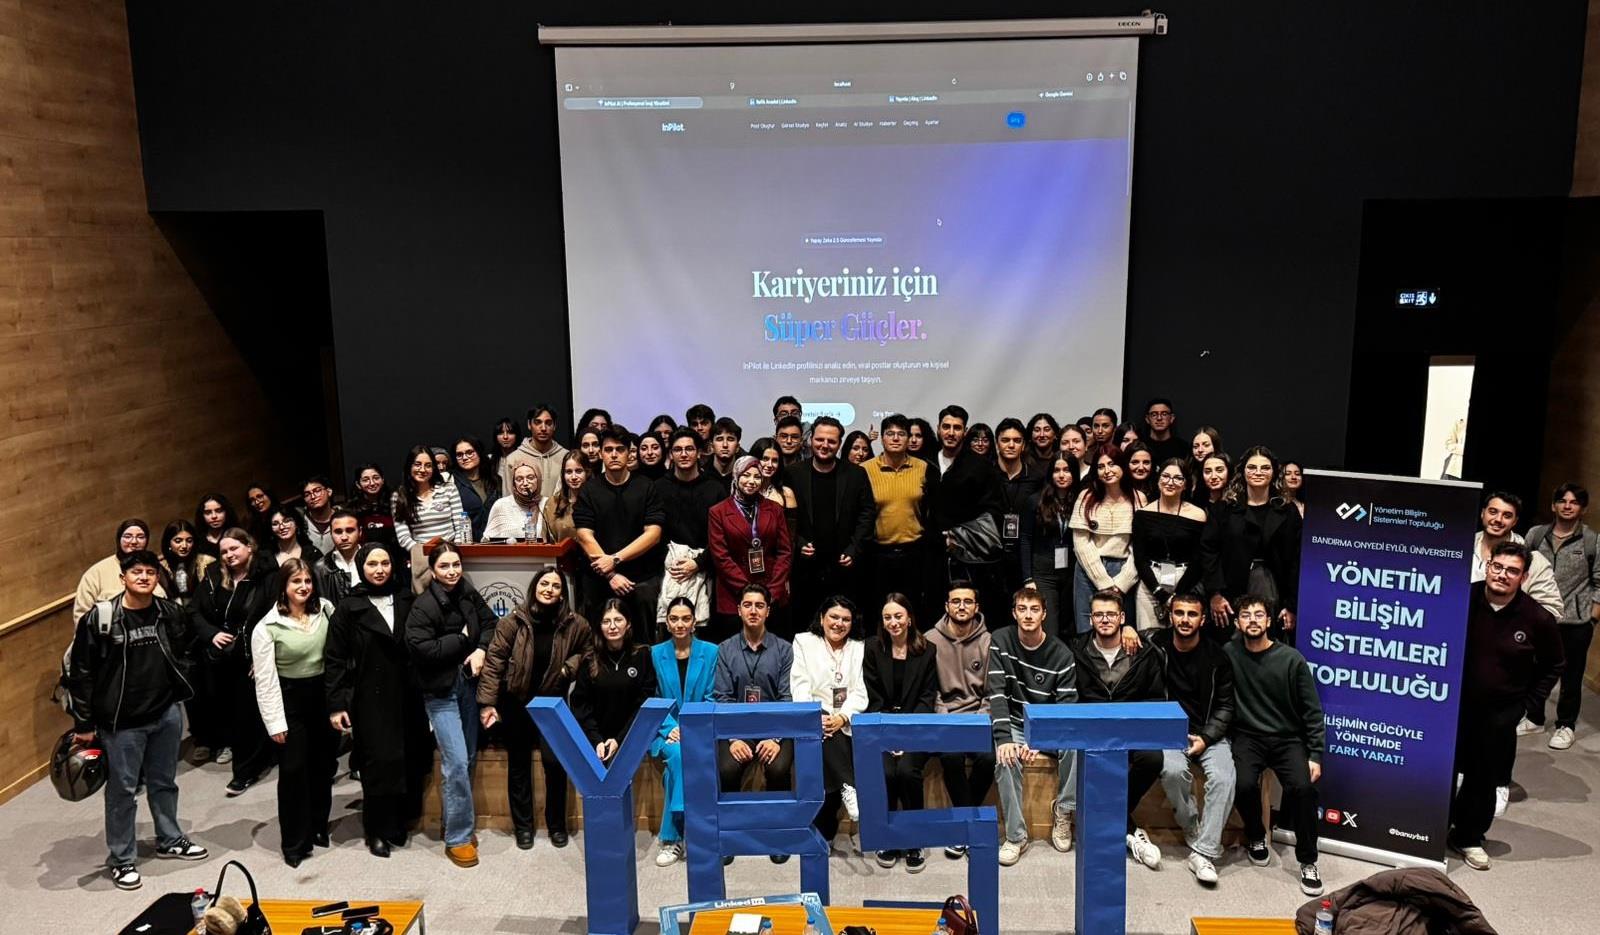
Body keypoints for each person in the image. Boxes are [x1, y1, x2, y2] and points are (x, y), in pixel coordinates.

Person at [65, 550, 208, 890]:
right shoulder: (101, 618)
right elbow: (81, 673)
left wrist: (179, 686)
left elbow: (185, 651)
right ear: (123, 578)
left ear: (157, 578)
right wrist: (83, 723)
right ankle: (121, 858)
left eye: (150, 572)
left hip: (166, 714)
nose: (144, 577)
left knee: (164, 782)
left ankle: (169, 838)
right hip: (121, 722)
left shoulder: (169, 612)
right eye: (136, 572)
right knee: (123, 792)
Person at [1448, 543, 1563, 870]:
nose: (1502, 575)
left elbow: (1554, 664)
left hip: (1499, 713)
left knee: (1482, 780)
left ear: (1523, 577)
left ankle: (1468, 837)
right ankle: (1428, 831)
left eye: (1512, 570)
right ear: (1487, 566)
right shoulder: (1461, 598)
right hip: (1450, 706)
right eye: (1497, 567)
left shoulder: (1537, 618)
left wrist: (1526, 706)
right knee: (1440, 771)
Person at [326, 543, 432, 858]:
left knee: (409, 759)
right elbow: (334, 658)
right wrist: (336, 704)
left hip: (408, 694)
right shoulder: (349, 607)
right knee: (378, 765)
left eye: (385, 563)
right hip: (370, 698)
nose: (380, 569)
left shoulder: (407, 598)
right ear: (362, 567)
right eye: (372, 564)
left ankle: (400, 822)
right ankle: (377, 830)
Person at [479, 567, 591, 849]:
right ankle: (523, 828)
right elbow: (494, 663)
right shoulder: (512, 622)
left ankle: (557, 825)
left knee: (555, 763)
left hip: (552, 703)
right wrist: (488, 703)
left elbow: (589, 651)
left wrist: (569, 668)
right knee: (518, 764)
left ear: (562, 594)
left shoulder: (575, 623)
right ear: (534, 587)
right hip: (516, 702)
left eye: (555, 586)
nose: (549, 589)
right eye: (544, 583)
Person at [1225, 593, 1325, 896]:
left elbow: (1312, 710)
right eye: (1246, 615)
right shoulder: (1229, 653)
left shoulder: (1292, 659)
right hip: (1248, 736)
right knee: (1242, 784)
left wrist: (1315, 754)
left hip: (1287, 738)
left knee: (1303, 789)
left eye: (1259, 615)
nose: (1253, 620)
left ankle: (1308, 861)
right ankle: (1257, 835)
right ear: (1237, 622)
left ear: (1269, 621)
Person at [405, 542, 496, 868]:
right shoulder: (423, 606)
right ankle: (458, 837)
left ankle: (456, 820)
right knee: (455, 761)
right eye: (444, 566)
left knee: (467, 758)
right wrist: (462, 639)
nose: (452, 571)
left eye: (456, 564)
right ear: (432, 570)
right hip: (439, 691)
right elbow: (422, 649)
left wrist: (481, 648)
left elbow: (490, 623)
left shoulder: (467, 592)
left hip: (468, 686)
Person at [1070, 589, 1167, 872]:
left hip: (1131, 727)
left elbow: (1155, 698)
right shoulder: (1076, 649)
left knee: (1153, 759)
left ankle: (1111, 817)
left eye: (1111, 614)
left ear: (1122, 618)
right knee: (1093, 761)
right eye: (1098, 614)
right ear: (1091, 618)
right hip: (1093, 728)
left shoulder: (1144, 652)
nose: (1104, 620)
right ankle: (1128, 830)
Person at [251, 558, 338, 867]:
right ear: (283, 586)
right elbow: (265, 681)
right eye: (296, 581)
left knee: (323, 766)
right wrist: (275, 722)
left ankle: (318, 826)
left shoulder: (326, 610)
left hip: (323, 697)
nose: (303, 587)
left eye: (307, 581)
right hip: (290, 700)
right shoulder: (267, 626)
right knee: (292, 771)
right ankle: (294, 843)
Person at [1148, 593, 1236, 885]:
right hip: (1169, 731)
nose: (1185, 620)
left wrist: (1206, 738)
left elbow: (1226, 707)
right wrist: (1128, 630)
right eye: (1179, 613)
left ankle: (1203, 852)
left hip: (1209, 732)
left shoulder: (1217, 657)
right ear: (1170, 615)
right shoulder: (1156, 645)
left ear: (1203, 619)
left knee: (1224, 778)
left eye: (1192, 614)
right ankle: (1192, 828)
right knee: (1172, 771)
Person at [990, 587, 1079, 867]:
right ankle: (1016, 837)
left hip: (1049, 724)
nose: (1028, 615)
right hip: (1016, 721)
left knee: (1075, 746)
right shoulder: (1000, 640)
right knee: (1004, 758)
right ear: (1014, 613)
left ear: (1044, 614)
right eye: (1022, 609)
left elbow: (1065, 711)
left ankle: (1064, 811)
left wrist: (1038, 740)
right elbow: (996, 694)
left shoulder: (1062, 654)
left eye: (1034, 609)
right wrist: (1005, 739)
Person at [711, 583, 795, 864]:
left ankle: (777, 834)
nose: (753, 611)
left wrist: (776, 738)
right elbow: (722, 697)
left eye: (759, 605)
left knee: (779, 767)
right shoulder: (725, 649)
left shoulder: (784, 649)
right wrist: (734, 738)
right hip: (737, 729)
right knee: (726, 767)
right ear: (738, 610)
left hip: (774, 728)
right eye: (747, 605)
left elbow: (786, 698)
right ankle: (730, 833)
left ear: (768, 611)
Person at [192, 528, 277, 793]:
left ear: (249, 547)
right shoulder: (214, 575)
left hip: (256, 655)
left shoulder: (268, 576)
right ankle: (254, 760)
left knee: (250, 714)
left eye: (234, 548)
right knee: (234, 714)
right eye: (224, 551)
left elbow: (274, 617)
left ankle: (245, 771)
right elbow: (194, 611)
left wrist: (263, 658)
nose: (229, 555)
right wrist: (211, 633)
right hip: (223, 658)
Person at [862, 594, 938, 872]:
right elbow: (872, 697)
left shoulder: (927, 650)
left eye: (898, 616)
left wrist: (905, 736)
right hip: (881, 728)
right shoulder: (872, 648)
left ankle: (914, 838)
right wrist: (889, 736)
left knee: (907, 771)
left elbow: (927, 698)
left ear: (909, 619)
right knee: (886, 771)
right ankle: (889, 836)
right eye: (887, 617)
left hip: (916, 728)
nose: (893, 622)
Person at [1523, 483, 1600, 750]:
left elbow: (1599, 581)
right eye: (1562, 501)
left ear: (1583, 509)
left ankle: (1565, 725)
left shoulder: (1592, 540)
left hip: (1575, 623)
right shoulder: (1536, 534)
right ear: (1553, 505)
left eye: (1574, 502)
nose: (1568, 506)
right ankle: (1533, 718)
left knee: (1571, 677)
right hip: (1538, 618)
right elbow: (1522, 567)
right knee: (1534, 671)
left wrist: (1592, 618)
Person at [1202, 446, 1303, 641]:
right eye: (1252, 467)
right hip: (1229, 596)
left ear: (1274, 473)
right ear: (1242, 471)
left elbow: (1296, 560)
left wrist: (1291, 606)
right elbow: (1209, 551)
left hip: (1276, 595)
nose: (1258, 472)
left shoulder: (1288, 510)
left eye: (1265, 468)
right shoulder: (1224, 508)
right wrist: (1215, 594)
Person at [792, 596, 869, 845]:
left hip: (847, 719)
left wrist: (843, 717)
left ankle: (825, 833)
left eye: (846, 619)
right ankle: (848, 784)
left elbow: (861, 690)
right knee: (825, 736)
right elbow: (800, 685)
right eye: (834, 617)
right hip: (814, 717)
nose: (839, 623)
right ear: (822, 618)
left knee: (832, 742)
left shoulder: (859, 647)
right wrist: (816, 717)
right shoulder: (804, 641)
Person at [785, 416, 876, 626]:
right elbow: (784, 517)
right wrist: (798, 542)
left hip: (844, 567)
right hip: (806, 568)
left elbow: (867, 514)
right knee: (804, 625)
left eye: (831, 441)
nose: (825, 445)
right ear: (810, 440)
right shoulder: (793, 473)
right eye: (819, 439)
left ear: (839, 444)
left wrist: (854, 548)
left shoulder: (856, 474)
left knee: (843, 624)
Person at [926, 580, 994, 859]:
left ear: (976, 607)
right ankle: (969, 828)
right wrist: (944, 717)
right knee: (951, 758)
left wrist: (980, 719)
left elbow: (992, 691)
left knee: (988, 759)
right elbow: (930, 690)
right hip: (946, 718)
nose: (961, 606)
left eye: (967, 601)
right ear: (947, 606)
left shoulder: (988, 641)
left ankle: (962, 826)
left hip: (979, 717)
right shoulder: (930, 639)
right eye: (956, 601)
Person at [574, 426, 667, 631]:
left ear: (629, 453)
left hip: (641, 576)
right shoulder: (589, 490)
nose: (614, 454)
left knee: (644, 607)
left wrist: (615, 559)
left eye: (620, 449)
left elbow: (653, 534)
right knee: (595, 623)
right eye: (608, 450)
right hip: (600, 576)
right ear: (600, 454)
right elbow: (584, 536)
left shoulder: (646, 486)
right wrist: (611, 574)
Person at [648, 597, 718, 866]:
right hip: (665, 730)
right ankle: (687, 828)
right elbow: (653, 698)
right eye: (674, 619)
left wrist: (689, 727)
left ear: (694, 622)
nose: (680, 624)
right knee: (677, 754)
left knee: (673, 771)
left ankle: (673, 837)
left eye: (685, 618)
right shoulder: (655, 654)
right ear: (667, 623)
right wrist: (671, 727)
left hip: (699, 729)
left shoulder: (710, 652)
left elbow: (712, 697)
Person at [570, 599, 658, 800]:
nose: (612, 626)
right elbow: (580, 704)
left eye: (618, 620)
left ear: (628, 624)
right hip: (597, 740)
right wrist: (596, 740)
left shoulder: (642, 655)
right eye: (606, 621)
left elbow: (644, 704)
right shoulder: (589, 659)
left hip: (631, 737)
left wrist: (619, 740)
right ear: (599, 626)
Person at [862, 414, 939, 627]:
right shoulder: (865, 469)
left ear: (908, 438)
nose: (896, 438)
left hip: (914, 552)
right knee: (878, 610)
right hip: (878, 554)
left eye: (901, 434)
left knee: (913, 610)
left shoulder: (923, 467)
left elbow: (931, 510)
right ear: (882, 438)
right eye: (890, 434)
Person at [933, 405, 1008, 625]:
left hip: (970, 561)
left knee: (972, 619)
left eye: (957, 428)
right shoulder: (925, 463)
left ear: (965, 432)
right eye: (946, 427)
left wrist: (958, 535)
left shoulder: (980, 466)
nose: (951, 432)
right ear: (938, 429)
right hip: (931, 557)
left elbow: (994, 511)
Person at [708, 455, 793, 641]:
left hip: (771, 590)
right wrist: (747, 591)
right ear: (736, 476)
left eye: (757, 476)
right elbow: (720, 556)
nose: (751, 481)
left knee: (772, 645)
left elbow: (784, 552)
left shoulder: (775, 509)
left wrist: (772, 591)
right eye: (746, 475)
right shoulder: (718, 512)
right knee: (735, 647)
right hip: (733, 593)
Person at [655, 427, 725, 630]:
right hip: (669, 567)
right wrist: (675, 564)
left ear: (699, 452)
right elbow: (654, 533)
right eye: (678, 449)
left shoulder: (715, 489)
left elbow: (722, 537)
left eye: (689, 449)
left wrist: (697, 563)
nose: (684, 454)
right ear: (670, 454)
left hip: (707, 565)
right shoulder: (658, 488)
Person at [1069, 445, 1141, 634]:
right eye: (1101, 467)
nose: (1107, 471)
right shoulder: (1086, 497)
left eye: (1112, 464)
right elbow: (1081, 543)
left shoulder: (1138, 498)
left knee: (1123, 631)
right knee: (1086, 630)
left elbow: (1140, 545)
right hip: (1089, 570)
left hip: (1125, 571)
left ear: (1123, 466)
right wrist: (1104, 582)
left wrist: (1122, 583)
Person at [1132, 459, 1209, 630]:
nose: (1170, 482)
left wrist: (1178, 595)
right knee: (1148, 638)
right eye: (1165, 476)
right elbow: (1140, 559)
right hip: (1150, 583)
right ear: (1158, 479)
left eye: (1178, 478)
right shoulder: (1143, 514)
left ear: (1186, 484)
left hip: (1185, 581)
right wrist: (1159, 592)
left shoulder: (1197, 515)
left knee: (1182, 636)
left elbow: (1198, 558)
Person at [1020, 456, 1079, 640]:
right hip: (1043, 573)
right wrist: (1028, 578)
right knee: (1050, 629)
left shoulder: (1080, 501)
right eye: (1057, 470)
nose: (1061, 475)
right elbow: (1025, 540)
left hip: (1071, 573)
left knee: (1070, 629)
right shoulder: (1035, 501)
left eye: (1066, 470)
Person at [74, 519, 164, 619]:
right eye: (128, 536)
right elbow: (82, 617)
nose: (134, 541)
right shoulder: (96, 573)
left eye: (140, 537)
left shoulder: (157, 569)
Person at [996, 418, 1044, 600]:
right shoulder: (986, 474)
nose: (1011, 445)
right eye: (1005, 440)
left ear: (1023, 445)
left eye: (1016, 441)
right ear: (997, 443)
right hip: (992, 556)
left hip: (1025, 556)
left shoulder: (1036, 477)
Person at [393, 445, 471, 556]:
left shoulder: (449, 488)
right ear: (409, 466)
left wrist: (452, 552)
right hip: (421, 554)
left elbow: (460, 524)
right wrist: (423, 553)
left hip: (450, 552)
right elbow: (403, 537)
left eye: (428, 465)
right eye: (417, 464)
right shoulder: (399, 496)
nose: (423, 470)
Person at [502, 404, 569, 499]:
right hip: (523, 509)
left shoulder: (566, 457)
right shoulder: (513, 459)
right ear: (529, 425)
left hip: (559, 508)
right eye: (538, 422)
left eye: (548, 423)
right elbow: (508, 500)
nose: (543, 428)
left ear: (554, 426)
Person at [451, 435, 502, 541]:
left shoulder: (494, 479)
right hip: (466, 542)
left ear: (479, 452)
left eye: (469, 452)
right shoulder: (451, 482)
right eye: (459, 455)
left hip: (495, 540)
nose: (465, 458)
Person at [485, 462, 548, 542]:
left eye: (530, 478)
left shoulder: (548, 504)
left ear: (538, 479)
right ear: (514, 483)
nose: (525, 483)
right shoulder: (502, 505)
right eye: (519, 479)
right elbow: (487, 540)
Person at [348, 463, 400, 557]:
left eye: (376, 478)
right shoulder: (351, 510)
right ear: (358, 484)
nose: (372, 483)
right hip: (364, 558)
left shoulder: (394, 504)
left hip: (394, 556)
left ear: (382, 480)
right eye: (366, 480)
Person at [158, 520, 213, 607]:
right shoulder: (160, 565)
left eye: (189, 541)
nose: (184, 546)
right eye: (178, 541)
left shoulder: (206, 561)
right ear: (168, 542)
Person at [315, 509, 364, 604]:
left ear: (360, 532)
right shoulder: (320, 568)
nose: (344, 537)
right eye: (338, 532)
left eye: (350, 530)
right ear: (331, 534)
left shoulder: (374, 560)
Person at [749, 437, 798, 509]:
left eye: (774, 461)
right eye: (765, 459)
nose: (770, 465)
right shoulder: (743, 491)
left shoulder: (786, 494)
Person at [1142, 398, 1187, 465]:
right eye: (1154, 414)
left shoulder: (1183, 448)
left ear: (1172, 418)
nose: (1159, 418)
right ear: (1147, 419)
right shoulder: (1140, 446)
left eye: (1164, 414)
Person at [300, 476, 338, 554]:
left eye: (317, 491)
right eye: (307, 494)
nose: (313, 496)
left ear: (329, 491)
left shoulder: (342, 518)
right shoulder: (301, 522)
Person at [194, 494, 239, 558]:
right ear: (202, 515)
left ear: (226, 512)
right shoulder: (196, 540)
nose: (214, 516)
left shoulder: (238, 536)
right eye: (208, 512)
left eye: (219, 511)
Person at [487, 416, 523, 487]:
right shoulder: (490, 460)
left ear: (516, 435)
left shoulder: (524, 458)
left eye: (510, 433)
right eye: (501, 433)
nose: (505, 437)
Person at [705, 417, 743, 481]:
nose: (725, 445)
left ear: (737, 447)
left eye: (730, 439)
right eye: (719, 439)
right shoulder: (701, 475)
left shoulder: (745, 475)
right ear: (712, 447)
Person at [1025, 412, 1061, 478]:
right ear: (1030, 435)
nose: (1042, 435)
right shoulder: (1022, 461)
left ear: (1055, 434)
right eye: (1037, 430)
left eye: (1047, 430)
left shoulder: (1062, 459)